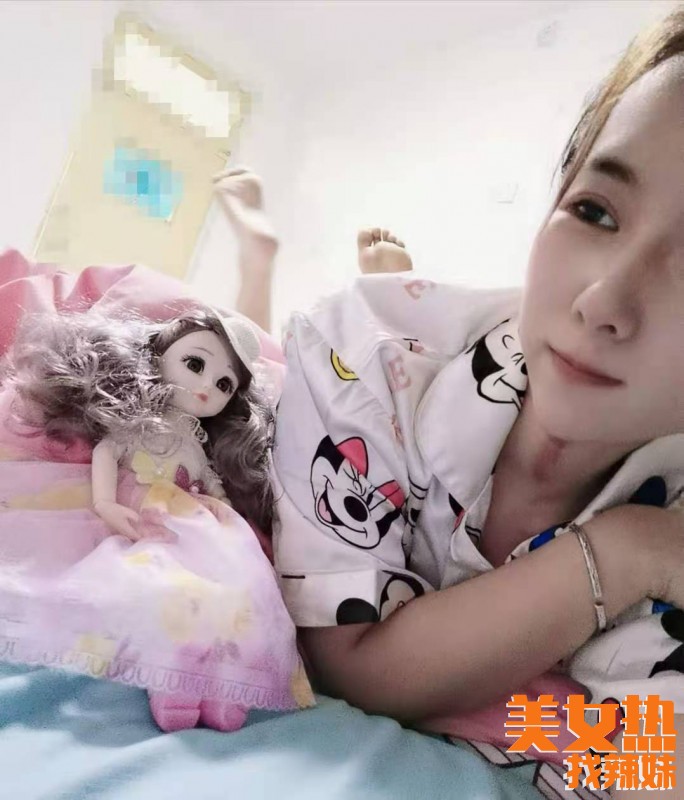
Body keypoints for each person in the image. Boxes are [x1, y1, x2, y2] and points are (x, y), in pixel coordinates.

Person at [272, 7, 684, 797]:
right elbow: (345, 660)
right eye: (595, 211)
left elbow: (650, 763)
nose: (603, 300)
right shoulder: (364, 350)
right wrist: (625, 553)